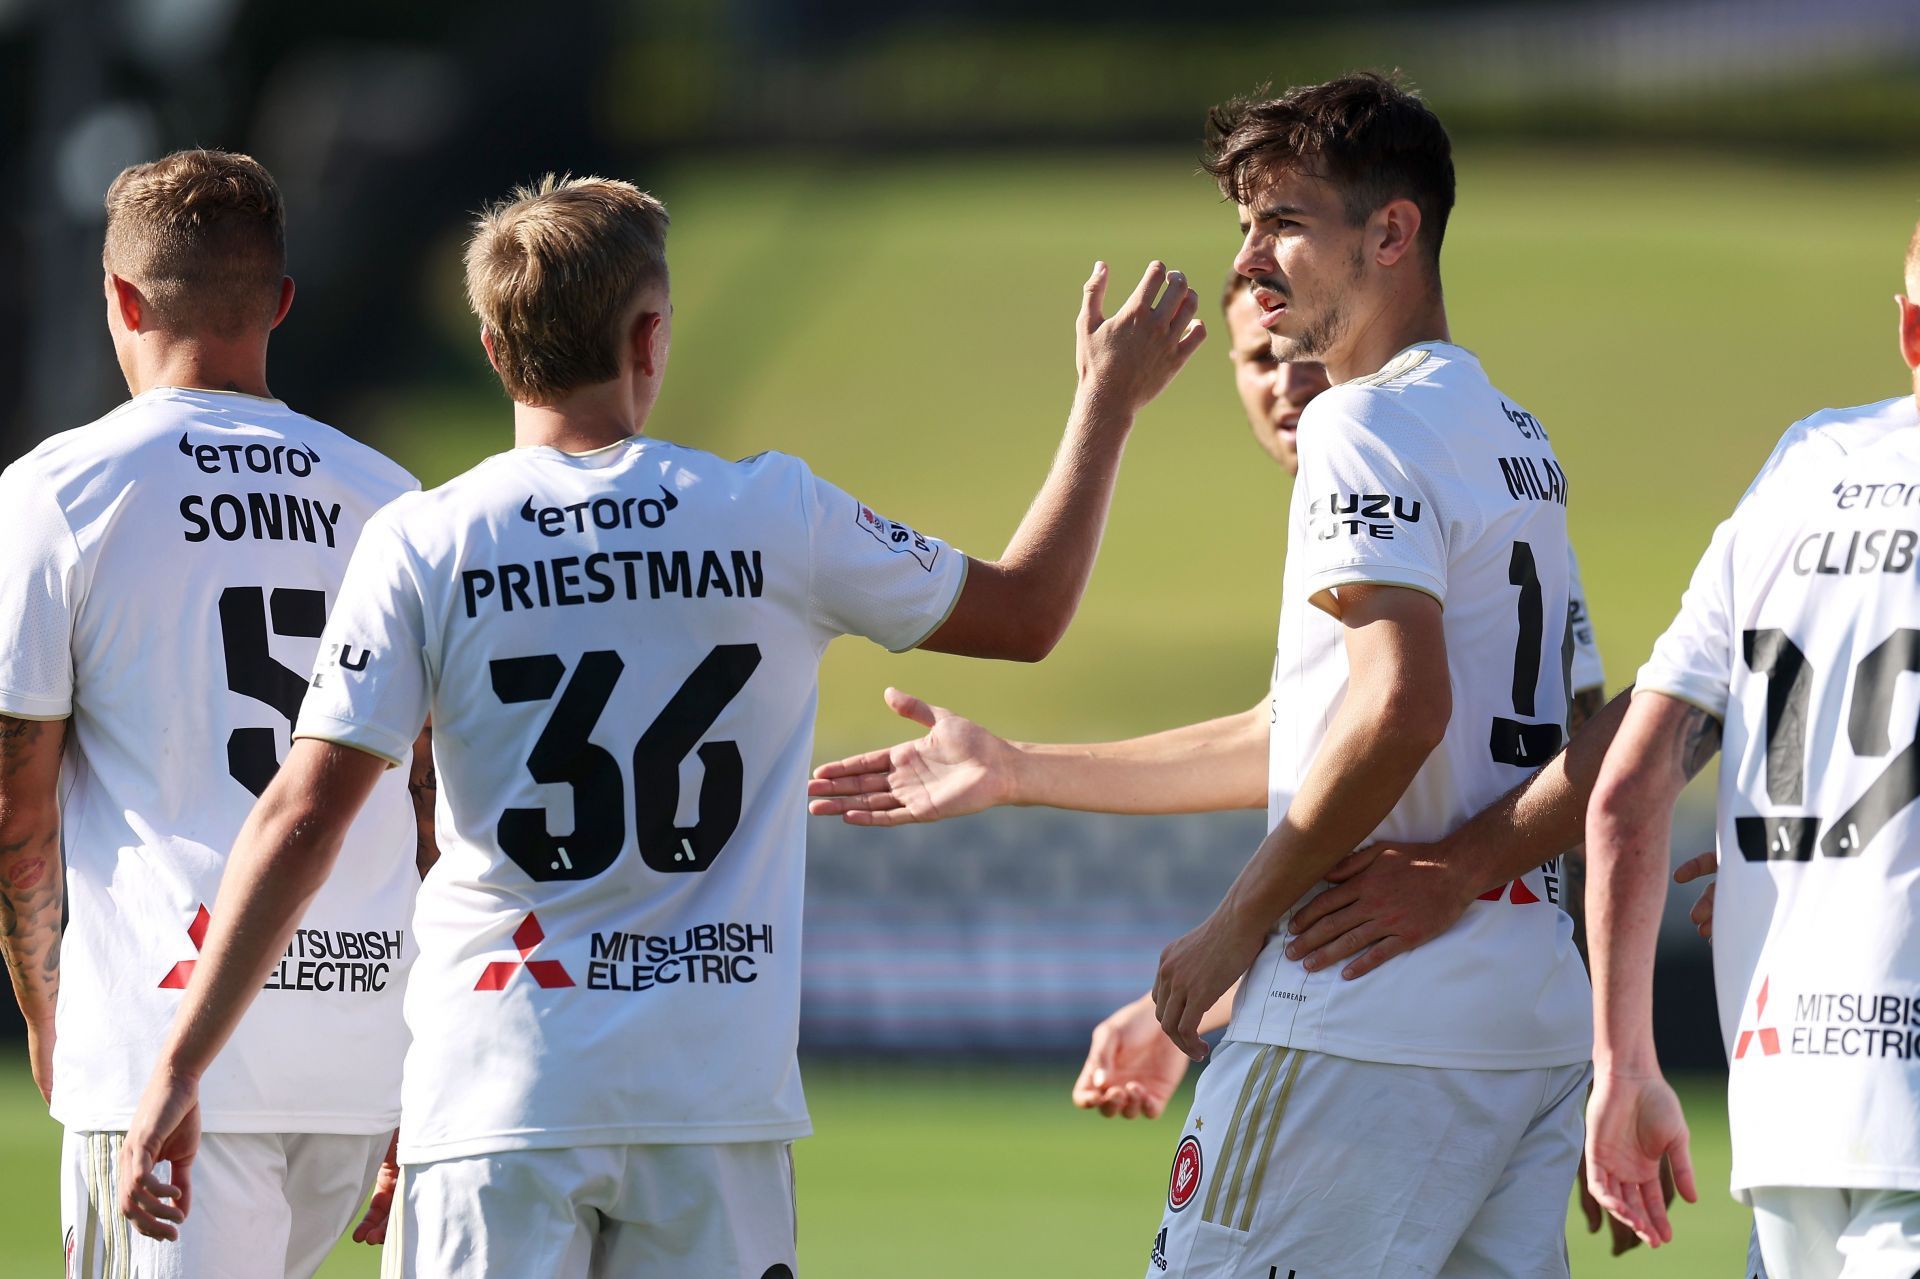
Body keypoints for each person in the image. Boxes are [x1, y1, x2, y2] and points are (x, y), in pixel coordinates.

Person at [114, 174, 1205, 1274]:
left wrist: (180, 1064)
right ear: (650, 337)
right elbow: (1027, 611)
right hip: (712, 1104)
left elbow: (307, 818)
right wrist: (1106, 402)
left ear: (494, 350)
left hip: (500, 1090)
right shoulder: (777, 513)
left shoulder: (424, 542)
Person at [819, 72, 1588, 1276]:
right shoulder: (1516, 435)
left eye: (1285, 222)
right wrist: (1016, 766)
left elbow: (1400, 707)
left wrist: (1235, 928)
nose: (1258, 260)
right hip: (1529, 1016)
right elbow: (1553, 732)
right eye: (1247, 229)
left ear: (1392, 232)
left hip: (1363, 1014)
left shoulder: (1361, 423)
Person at [0, 149, 428, 1277]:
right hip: (356, 1040)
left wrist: (51, 1017)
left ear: (121, 298)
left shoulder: (60, 491)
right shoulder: (393, 497)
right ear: (281, 303)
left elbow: (16, 793)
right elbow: (436, 792)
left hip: (165, 1038)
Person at [1582, 225, 1920, 1274]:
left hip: (1790, 1103)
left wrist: (1622, 1063)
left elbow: (1628, 787)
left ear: (1911, 328)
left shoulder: (1804, 464)